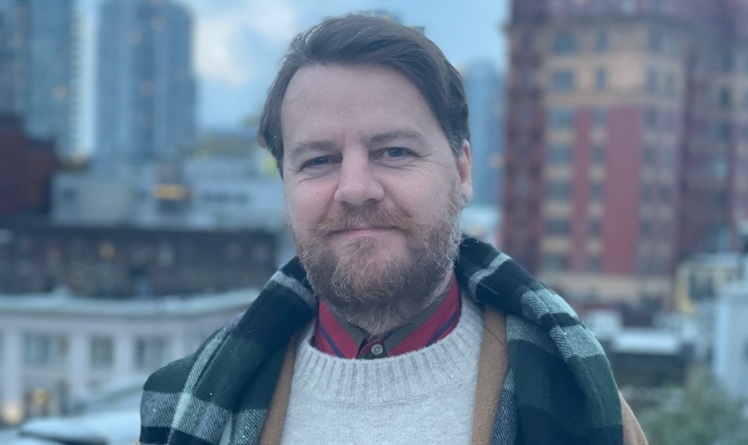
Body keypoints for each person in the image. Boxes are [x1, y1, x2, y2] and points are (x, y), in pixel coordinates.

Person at [139, 14, 648, 445]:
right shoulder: (181, 407)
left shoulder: (579, 404)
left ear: (462, 171)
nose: (355, 188)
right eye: (319, 160)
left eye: (394, 151)